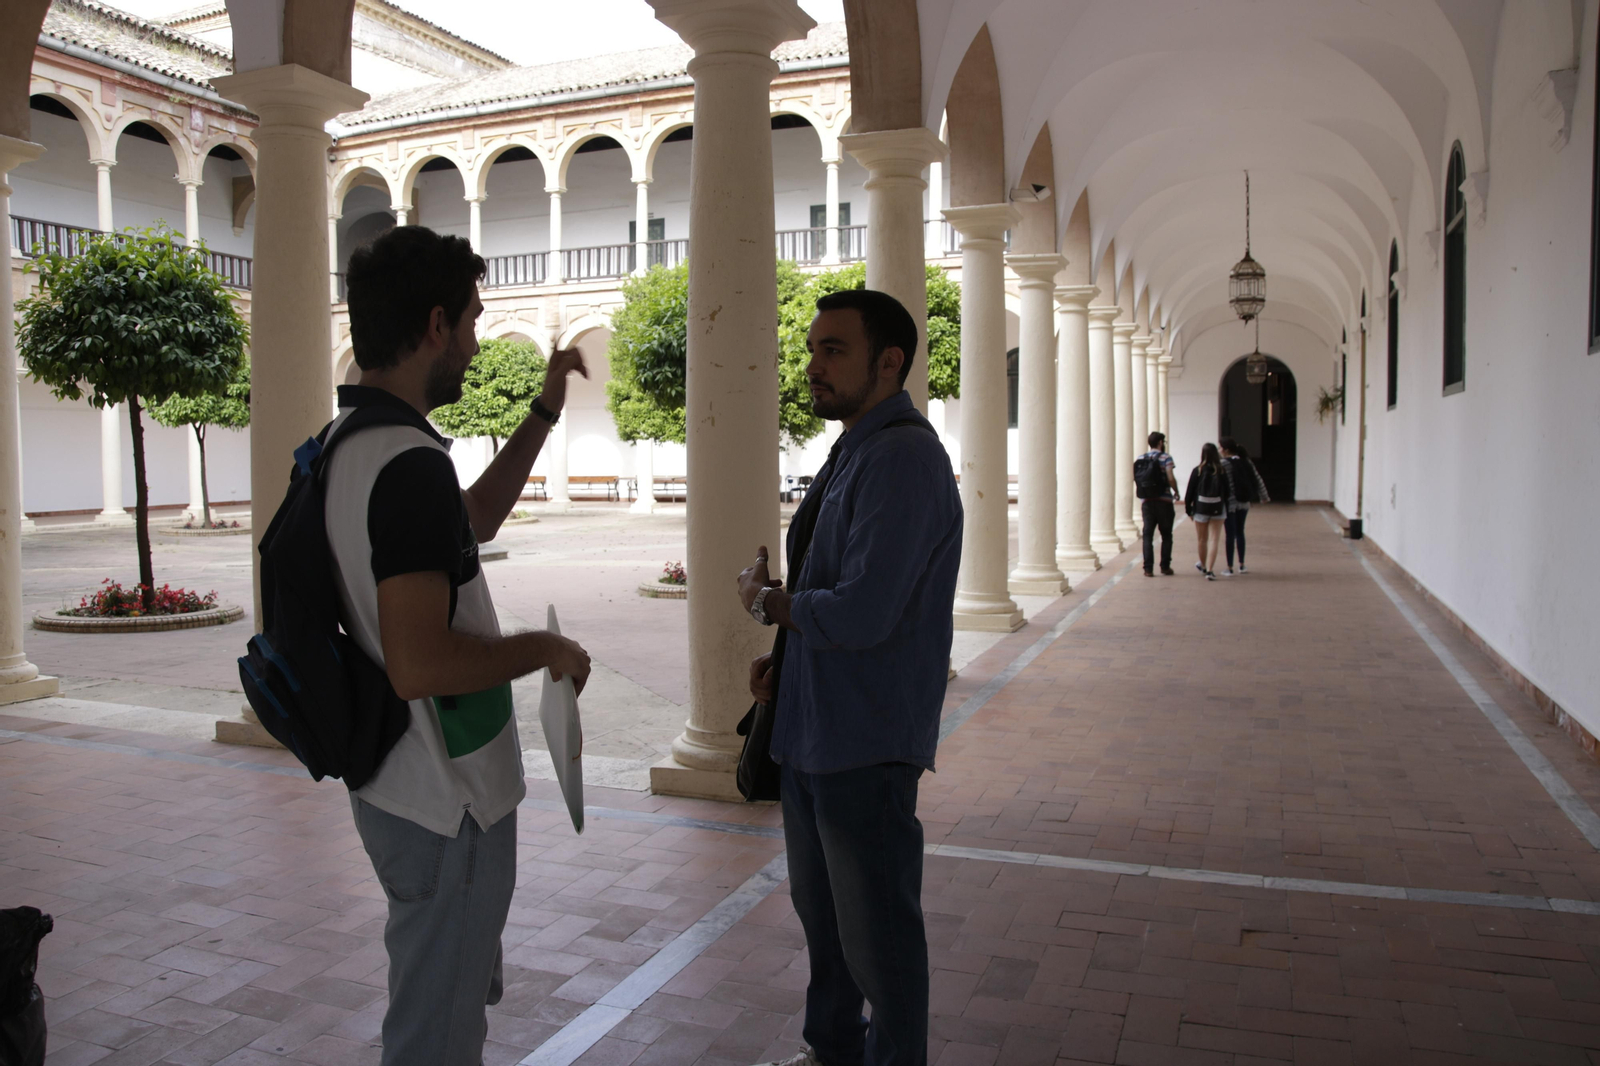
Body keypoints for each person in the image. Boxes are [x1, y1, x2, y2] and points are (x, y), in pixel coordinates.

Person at [331, 226, 592, 1065]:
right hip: (447, 802)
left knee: (439, 1012)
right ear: (436, 324)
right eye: (473, 321)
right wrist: (544, 647)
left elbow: (471, 522)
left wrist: (544, 412)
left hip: (403, 787)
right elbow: (421, 664)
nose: (477, 345)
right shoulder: (404, 464)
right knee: (436, 1038)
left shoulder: (354, 444)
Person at [737, 289, 962, 1066]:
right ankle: (832, 1049)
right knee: (827, 921)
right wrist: (786, 660)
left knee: (879, 939)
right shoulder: (856, 448)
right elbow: (838, 591)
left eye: (833, 350)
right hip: (815, 730)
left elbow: (864, 612)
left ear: (889, 361)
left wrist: (768, 602)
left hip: (864, 743)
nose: (813, 365)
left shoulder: (902, 458)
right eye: (812, 349)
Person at [1219, 437, 1270, 575]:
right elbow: (1257, 478)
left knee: (1229, 535)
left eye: (1220, 447)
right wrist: (1264, 496)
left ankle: (1229, 567)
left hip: (1230, 504)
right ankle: (1242, 565)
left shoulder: (1223, 463)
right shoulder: (1246, 461)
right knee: (1240, 532)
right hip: (1244, 503)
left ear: (1226, 450)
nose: (1219, 450)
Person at [1133, 430, 1180, 577]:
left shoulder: (1141, 458)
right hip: (1164, 501)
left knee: (1148, 535)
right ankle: (1165, 566)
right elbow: (1170, 477)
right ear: (1160, 443)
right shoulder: (1166, 457)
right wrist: (1176, 491)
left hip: (1147, 501)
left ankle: (1148, 569)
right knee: (1166, 535)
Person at [1183, 442, 1228, 580]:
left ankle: (1202, 566)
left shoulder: (1197, 470)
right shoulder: (1221, 470)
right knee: (1214, 539)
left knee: (1202, 540)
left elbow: (1189, 493)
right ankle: (1210, 570)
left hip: (1201, 508)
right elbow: (1227, 491)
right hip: (1218, 508)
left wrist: (1189, 510)